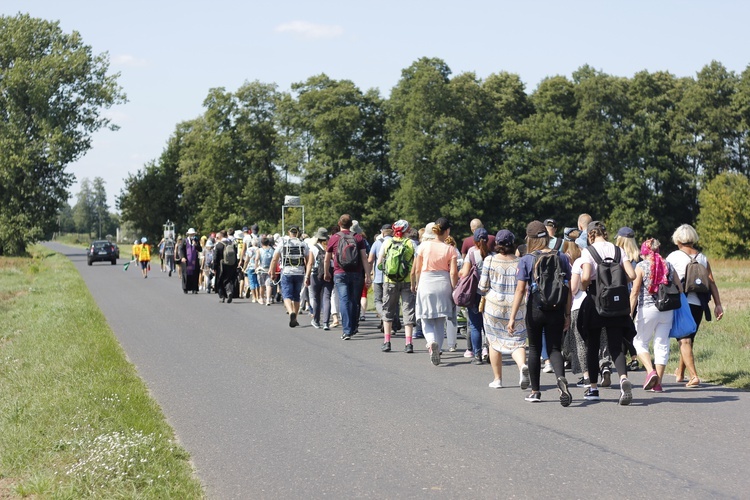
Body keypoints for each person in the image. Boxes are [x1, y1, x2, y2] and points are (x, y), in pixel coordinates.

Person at [508, 221, 573, 406]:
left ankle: (535, 392)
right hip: (557, 309)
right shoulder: (561, 257)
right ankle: (560, 378)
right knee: (554, 349)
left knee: (535, 348)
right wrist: (567, 314)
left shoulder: (527, 259)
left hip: (535, 308)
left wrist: (512, 317)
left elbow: (520, 290)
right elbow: (567, 288)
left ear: (529, 238)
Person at [579, 221, 637, 405]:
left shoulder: (588, 251)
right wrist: (617, 284)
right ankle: (622, 379)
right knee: (615, 344)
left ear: (590, 235)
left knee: (593, 344)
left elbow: (587, 276)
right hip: (617, 303)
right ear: (606, 233)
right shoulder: (618, 250)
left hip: (596, 301)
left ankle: (594, 388)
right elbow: (632, 275)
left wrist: (583, 286)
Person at [666, 224, 724, 388]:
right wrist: (718, 304)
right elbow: (711, 282)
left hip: (681, 303)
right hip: (699, 304)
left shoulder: (673, 256)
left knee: (684, 340)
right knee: (688, 339)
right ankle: (680, 373)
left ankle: (694, 376)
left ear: (678, 239)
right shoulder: (702, 257)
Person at [477, 229, 530, 389]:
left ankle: (498, 379)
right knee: (518, 341)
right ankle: (522, 366)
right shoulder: (521, 262)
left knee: (494, 341)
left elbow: (483, 286)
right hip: (517, 307)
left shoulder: (490, 261)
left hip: (494, 307)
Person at [630, 238, 682, 393]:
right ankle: (658, 383)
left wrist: (629, 312)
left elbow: (635, 291)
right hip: (667, 310)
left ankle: (650, 371)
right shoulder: (669, 265)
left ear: (644, 251)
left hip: (647, 310)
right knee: (662, 345)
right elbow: (679, 288)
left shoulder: (641, 266)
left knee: (639, 342)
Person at [412, 217, 458, 366]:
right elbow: (453, 273)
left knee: (425, 317)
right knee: (440, 319)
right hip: (443, 283)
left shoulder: (423, 246)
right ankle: (437, 347)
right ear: (447, 231)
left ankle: (431, 342)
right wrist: (454, 287)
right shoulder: (450, 249)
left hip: (426, 281)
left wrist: (417, 284)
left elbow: (418, 269)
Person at [325, 214, 371, 340]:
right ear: (351, 225)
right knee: (355, 301)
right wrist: (367, 275)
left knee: (344, 300)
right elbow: (364, 258)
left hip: (340, 273)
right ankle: (354, 326)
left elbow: (327, 258)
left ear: (339, 224)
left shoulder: (334, 238)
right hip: (356, 273)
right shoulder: (358, 237)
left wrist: (326, 272)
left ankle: (346, 330)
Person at [377, 220, 417, 353]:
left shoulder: (387, 243)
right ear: (407, 231)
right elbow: (416, 263)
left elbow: (379, 263)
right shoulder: (411, 243)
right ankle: (409, 343)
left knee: (388, 309)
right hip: (407, 281)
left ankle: (387, 342)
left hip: (390, 281)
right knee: (408, 310)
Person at [459, 227, 491, 365]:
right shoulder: (493, 254)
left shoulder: (471, 253)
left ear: (475, 240)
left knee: (475, 325)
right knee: (488, 326)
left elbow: (465, 273)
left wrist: (460, 273)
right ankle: (489, 353)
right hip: (490, 294)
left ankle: (477, 354)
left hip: (475, 294)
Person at [270, 226, 309, 327]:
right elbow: (308, 260)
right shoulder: (303, 243)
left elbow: (275, 259)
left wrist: (273, 272)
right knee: (296, 295)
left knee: (286, 295)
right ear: (298, 232)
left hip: (287, 272)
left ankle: (291, 311)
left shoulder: (283, 243)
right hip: (299, 272)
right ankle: (295, 317)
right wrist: (307, 273)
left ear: (289, 232)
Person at [616, 226, 642, 371]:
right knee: (633, 329)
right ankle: (634, 357)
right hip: (640, 299)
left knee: (622, 329)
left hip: (623, 297)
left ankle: (629, 358)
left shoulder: (619, 257)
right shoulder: (640, 258)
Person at [305, 228, 334, 329]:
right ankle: (326, 322)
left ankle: (316, 320)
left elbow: (310, 263)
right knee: (327, 298)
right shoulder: (331, 247)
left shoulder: (313, 248)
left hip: (316, 274)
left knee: (316, 298)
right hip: (329, 273)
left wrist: (307, 276)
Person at [213, 230, 238, 303]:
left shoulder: (218, 245)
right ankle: (229, 292)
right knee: (229, 279)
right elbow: (235, 255)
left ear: (220, 236)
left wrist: (214, 267)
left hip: (221, 265)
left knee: (220, 280)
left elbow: (215, 258)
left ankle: (223, 296)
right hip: (232, 264)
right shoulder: (232, 244)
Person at [178, 228, 201, 293]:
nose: (192, 236)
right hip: (186, 260)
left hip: (194, 260)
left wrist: (195, 245)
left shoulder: (196, 240)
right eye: (190, 234)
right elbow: (181, 249)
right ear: (188, 234)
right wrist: (182, 257)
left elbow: (200, 249)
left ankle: (194, 288)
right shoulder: (184, 241)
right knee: (186, 274)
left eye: (193, 234)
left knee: (195, 274)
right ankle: (185, 288)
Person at [255, 237, 275, 306]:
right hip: (270, 269)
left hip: (261, 269)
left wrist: (256, 267)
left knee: (262, 285)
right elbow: (274, 260)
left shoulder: (259, 250)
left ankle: (262, 298)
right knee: (269, 285)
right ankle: (268, 299)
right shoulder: (272, 250)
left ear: (261, 243)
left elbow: (257, 259)